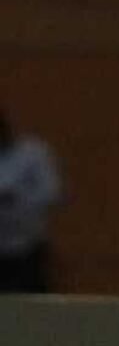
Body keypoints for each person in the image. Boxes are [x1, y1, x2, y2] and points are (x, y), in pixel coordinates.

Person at [0, 109, 62, 293]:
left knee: (32, 304)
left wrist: (17, 197)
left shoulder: (33, 153)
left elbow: (52, 192)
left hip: (27, 247)